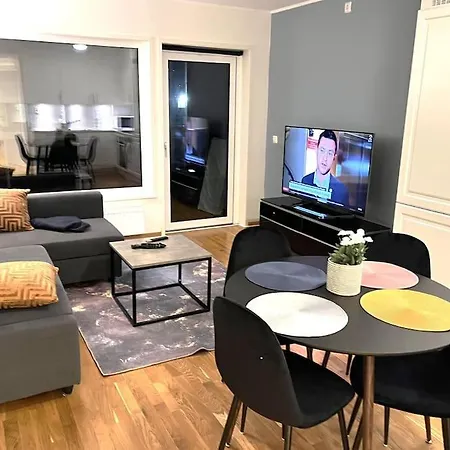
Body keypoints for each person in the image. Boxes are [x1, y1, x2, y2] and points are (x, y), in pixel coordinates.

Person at [302, 130, 349, 205]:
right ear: (316, 150)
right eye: (322, 150)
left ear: (334, 157)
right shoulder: (305, 181)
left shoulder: (342, 191)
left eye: (330, 153)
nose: (325, 158)